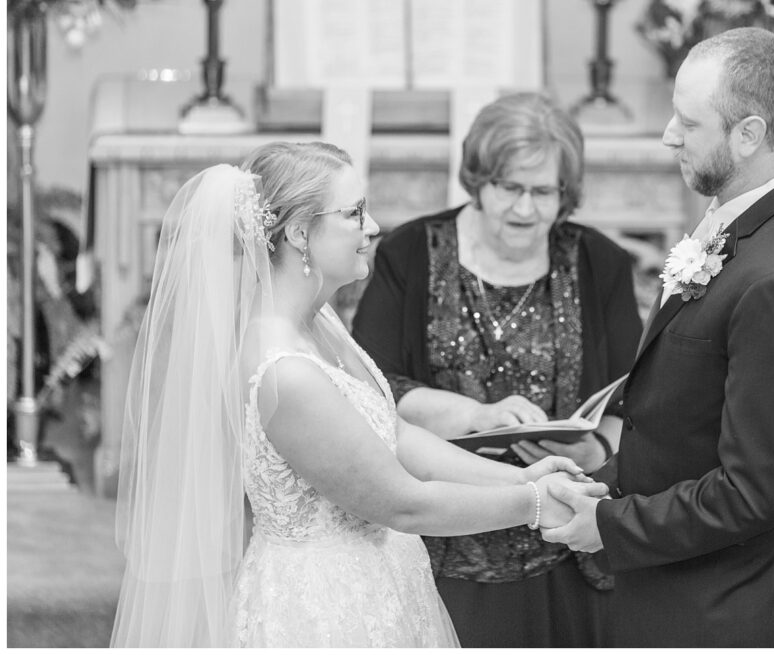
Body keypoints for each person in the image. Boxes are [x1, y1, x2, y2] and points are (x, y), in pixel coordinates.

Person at [109, 141, 607, 648]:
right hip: (323, 608)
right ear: (300, 232)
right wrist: (533, 504)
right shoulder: (286, 372)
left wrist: (520, 475)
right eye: (354, 213)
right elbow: (402, 503)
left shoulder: (319, 322)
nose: (372, 228)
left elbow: (395, 434)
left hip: (382, 580)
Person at [543, 27, 774, 647]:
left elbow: (752, 492)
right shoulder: (738, 225)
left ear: (749, 135)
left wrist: (610, 523)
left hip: (733, 613)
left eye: (689, 121)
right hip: (684, 592)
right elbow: (691, 422)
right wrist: (605, 477)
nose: (667, 135)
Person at [352, 92, 642, 647]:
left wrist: (598, 453)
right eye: (509, 188)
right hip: (444, 548)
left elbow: (637, 397)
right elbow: (371, 385)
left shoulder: (598, 263)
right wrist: (475, 415)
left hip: (566, 546)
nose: (525, 209)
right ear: (478, 180)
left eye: (543, 192)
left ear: (566, 193)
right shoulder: (411, 253)